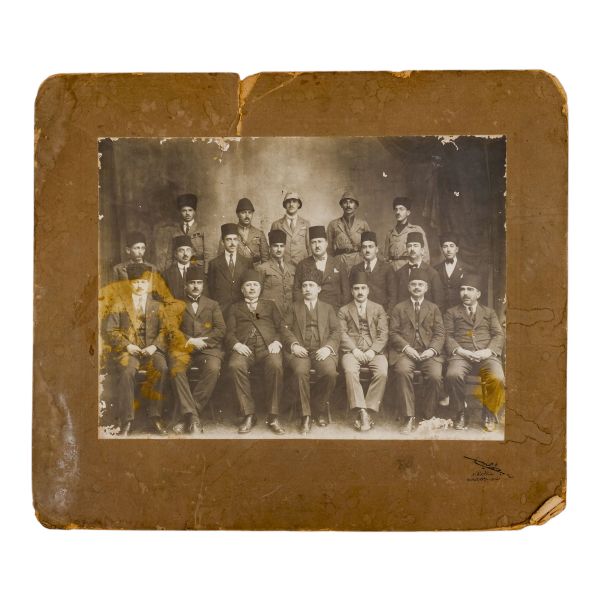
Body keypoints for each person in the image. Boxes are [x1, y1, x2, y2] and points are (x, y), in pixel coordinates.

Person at [104, 263, 169, 436]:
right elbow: (111, 330)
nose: (140, 286)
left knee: (161, 368)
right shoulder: (119, 304)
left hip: (152, 350)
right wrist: (128, 346)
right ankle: (127, 420)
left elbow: (165, 330)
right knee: (127, 372)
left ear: (148, 284)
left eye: (143, 282)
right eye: (136, 282)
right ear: (129, 284)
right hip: (129, 351)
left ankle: (155, 416)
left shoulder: (157, 305)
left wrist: (154, 346)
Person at [167, 264, 226, 435]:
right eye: (192, 283)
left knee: (213, 368)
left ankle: (187, 416)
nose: (195, 286)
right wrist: (190, 340)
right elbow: (171, 330)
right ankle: (193, 419)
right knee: (176, 368)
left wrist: (203, 342)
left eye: (199, 283)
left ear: (203, 285)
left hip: (208, 349)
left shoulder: (213, 304)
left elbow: (221, 329)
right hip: (183, 348)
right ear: (185, 285)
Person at [225, 270, 285, 435]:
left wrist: (277, 342)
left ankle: (273, 416)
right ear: (242, 289)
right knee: (235, 365)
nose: (252, 288)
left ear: (260, 288)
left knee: (276, 365)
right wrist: (236, 344)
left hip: (268, 347)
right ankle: (248, 414)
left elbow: (281, 328)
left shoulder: (270, 305)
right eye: (248, 285)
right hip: (244, 348)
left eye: (255, 285)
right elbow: (228, 332)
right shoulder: (235, 307)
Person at [444, 274, 505, 431]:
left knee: (497, 377)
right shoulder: (451, 312)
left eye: (470, 289)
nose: (465, 293)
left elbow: (498, 335)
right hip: (461, 355)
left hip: (486, 355)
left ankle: (489, 413)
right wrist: (461, 351)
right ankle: (460, 413)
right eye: (462, 289)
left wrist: (488, 351)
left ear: (478, 294)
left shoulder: (489, 312)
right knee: (453, 375)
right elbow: (448, 336)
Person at [389, 268, 445, 433]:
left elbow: (440, 333)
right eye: (413, 284)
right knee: (402, 371)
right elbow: (393, 333)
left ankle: (428, 416)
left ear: (426, 288)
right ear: (408, 287)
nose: (417, 287)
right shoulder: (399, 308)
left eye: (421, 284)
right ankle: (409, 417)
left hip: (428, 352)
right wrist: (406, 347)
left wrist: (432, 350)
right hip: (406, 352)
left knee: (435, 376)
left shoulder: (434, 308)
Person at [284, 269, 340, 433]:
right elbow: (284, 329)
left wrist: (327, 348)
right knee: (300, 372)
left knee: (330, 373)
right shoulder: (293, 307)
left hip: (321, 350)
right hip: (300, 351)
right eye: (304, 286)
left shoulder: (328, 308)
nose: (307, 289)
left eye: (311, 285)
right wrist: (294, 345)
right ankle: (306, 415)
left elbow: (336, 331)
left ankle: (318, 408)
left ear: (319, 289)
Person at [338, 271, 388, 432]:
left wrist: (373, 351)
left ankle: (369, 409)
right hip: (351, 351)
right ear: (352, 291)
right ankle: (361, 410)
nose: (360, 292)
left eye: (363, 288)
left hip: (375, 351)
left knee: (382, 372)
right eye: (356, 288)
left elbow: (383, 334)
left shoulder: (378, 308)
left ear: (368, 290)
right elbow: (341, 333)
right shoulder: (344, 310)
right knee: (350, 371)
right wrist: (354, 350)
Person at [294, 225, 350, 312]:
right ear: (310, 245)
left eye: (320, 241)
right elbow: (296, 291)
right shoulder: (302, 265)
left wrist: (340, 311)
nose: (317, 245)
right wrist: (304, 309)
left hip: (334, 311)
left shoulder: (338, 264)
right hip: (310, 311)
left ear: (326, 243)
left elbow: (346, 292)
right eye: (313, 242)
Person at [153, 193, 213, 273]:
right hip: (179, 270)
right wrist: (168, 274)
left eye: (190, 210)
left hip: (197, 270)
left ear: (194, 211)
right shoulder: (175, 231)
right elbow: (169, 257)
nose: (187, 213)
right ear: (180, 212)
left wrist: (206, 273)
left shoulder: (203, 229)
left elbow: (208, 255)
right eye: (184, 210)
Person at [207, 223, 253, 317]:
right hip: (222, 311)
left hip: (242, 310)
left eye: (235, 239)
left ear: (238, 241)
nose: (232, 243)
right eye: (228, 239)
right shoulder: (214, 264)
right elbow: (211, 290)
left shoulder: (247, 262)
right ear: (222, 242)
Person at [349, 231, 397, 312]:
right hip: (360, 313)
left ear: (377, 249)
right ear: (361, 250)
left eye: (370, 247)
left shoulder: (387, 268)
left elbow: (393, 296)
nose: (367, 250)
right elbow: (350, 295)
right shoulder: (355, 269)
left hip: (381, 313)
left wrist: (387, 315)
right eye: (364, 247)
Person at [396, 231, 444, 308]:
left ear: (422, 250)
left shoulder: (432, 273)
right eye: (409, 246)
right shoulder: (399, 273)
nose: (412, 249)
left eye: (415, 246)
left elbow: (438, 302)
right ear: (406, 250)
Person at [326, 190, 370, 269]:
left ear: (356, 205)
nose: (348, 205)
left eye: (351, 202)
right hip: (339, 262)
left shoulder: (363, 224)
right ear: (341, 205)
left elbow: (370, 246)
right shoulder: (333, 224)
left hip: (359, 261)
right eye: (345, 202)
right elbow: (329, 249)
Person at [383, 197, 430, 271]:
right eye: (396, 209)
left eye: (401, 209)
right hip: (392, 271)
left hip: (409, 270)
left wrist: (418, 273)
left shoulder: (416, 230)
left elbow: (425, 256)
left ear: (408, 212)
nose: (398, 212)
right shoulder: (390, 233)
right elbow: (386, 257)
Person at [256, 229, 296, 316]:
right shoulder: (262, 268)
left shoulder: (292, 269)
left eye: (282, 246)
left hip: (289, 314)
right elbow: (256, 295)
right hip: (269, 314)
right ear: (270, 248)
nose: (279, 249)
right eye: (275, 246)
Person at [220, 197, 269, 265]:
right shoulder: (229, 232)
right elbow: (221, 256)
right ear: (237, 214)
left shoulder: (259, 234)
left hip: (255, 270)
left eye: (250, 213)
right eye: (243, 213)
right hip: (236, 269)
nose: (247, 216)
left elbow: (265, 259)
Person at [270, 191, 311, 266]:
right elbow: (272, 249)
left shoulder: (306, 224)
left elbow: (309, 247)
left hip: (302, 265)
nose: (291, 204)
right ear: (285, 205)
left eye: (294, 201)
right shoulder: (276, 224)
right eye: (288, 202)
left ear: (298, 204)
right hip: (283, 266)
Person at [433, 232, 467, 312]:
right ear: (442, 249)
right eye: (445, 246)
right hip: (441, 311)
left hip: (461, 311)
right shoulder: (436, 269)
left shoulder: (466, 269)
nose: (448, 250)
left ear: (457, 249)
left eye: (451, 246)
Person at [161, 235, 195, 301]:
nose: (185, 254)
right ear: (175, 254)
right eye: (181, 251)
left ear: (191, 253)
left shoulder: (199, 271)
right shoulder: (166, 275)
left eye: (188, 250)